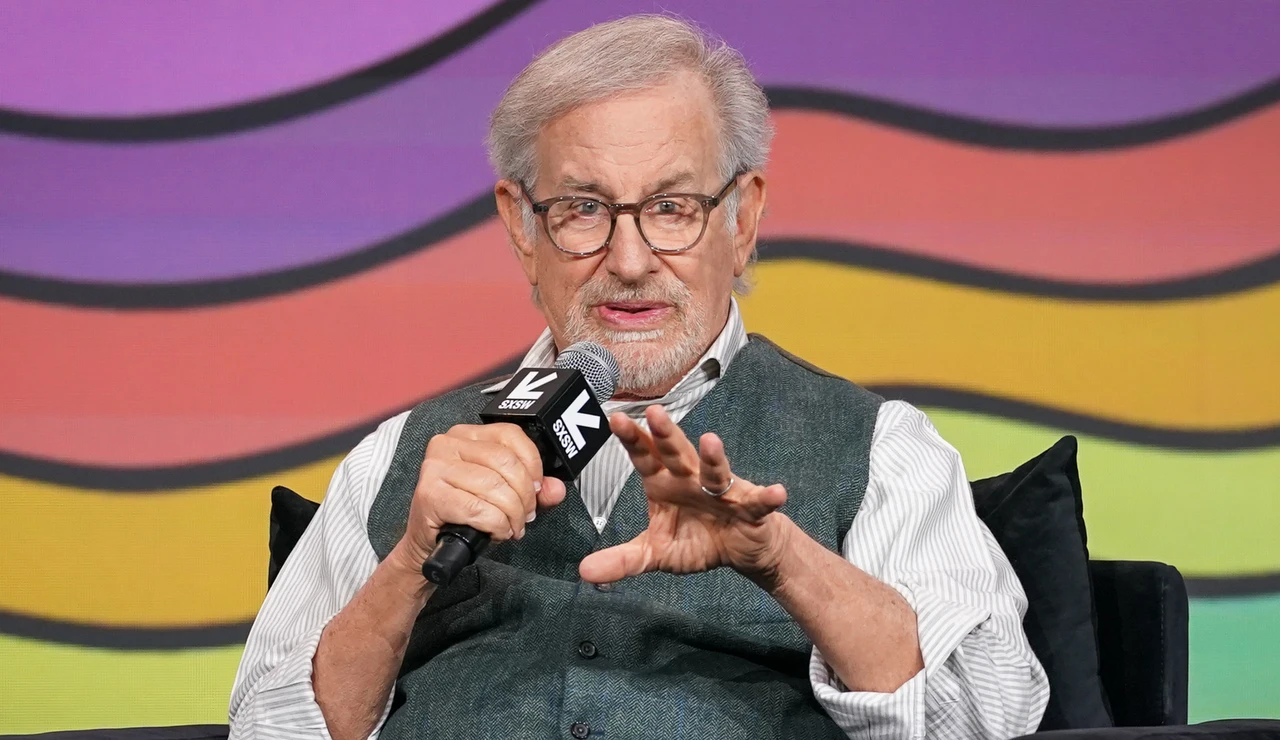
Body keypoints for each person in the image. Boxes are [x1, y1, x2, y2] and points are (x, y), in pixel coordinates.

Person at [230, 14, 1049, 740]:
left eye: (671, 207)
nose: (628, 261)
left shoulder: (884, 451)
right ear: (521, 225)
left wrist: (781, 563)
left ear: (745, 217)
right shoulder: (397, 456)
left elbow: (984, 714)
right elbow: (265, 727)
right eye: (582, 208)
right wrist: (411, 563)